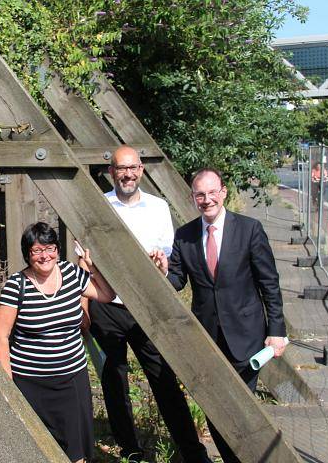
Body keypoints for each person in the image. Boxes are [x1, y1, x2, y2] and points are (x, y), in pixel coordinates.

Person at [152, 168, 287, 463]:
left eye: (212, 192)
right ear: (192, 198)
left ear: (224, 192)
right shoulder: (185, 235)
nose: (207, 199)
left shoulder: (249, 229)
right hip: (207, 338)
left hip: (246, 338)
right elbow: (176, 280)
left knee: (241, 408)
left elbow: (269, 283)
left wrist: (277, 331)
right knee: (215, 406)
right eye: (200, 194)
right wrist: (163, 270)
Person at [88, 146, 210, 463]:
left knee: (163, 376)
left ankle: (191, 450)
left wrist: (162, 262)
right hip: (107, 305)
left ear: (140, 170)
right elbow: (84, 255)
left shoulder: (158, 207)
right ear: (111, 172)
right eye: (120, 168)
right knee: (114, 377)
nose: (127, 174)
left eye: (132, 168)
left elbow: (169, 255)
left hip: (147, 307)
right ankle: (130, 449)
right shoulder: (97, 205)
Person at [0, 222, 115, 463]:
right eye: (37, 251)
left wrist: (91, 268)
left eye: (50, 248)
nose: (45, 256)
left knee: (77, 450)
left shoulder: (71, 274)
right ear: (28, 254)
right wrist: (7, 384)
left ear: (58, 250)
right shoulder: (16, 286)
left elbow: (106, 295)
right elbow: (0, 336)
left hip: (72, 380)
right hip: (31, 385)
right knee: (36, 448)